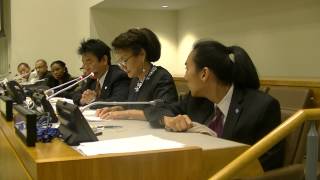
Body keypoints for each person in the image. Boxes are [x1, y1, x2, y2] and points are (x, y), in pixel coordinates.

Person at [144, 40, 284, 171]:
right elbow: (155, 110)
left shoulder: (263, 107)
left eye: (187, 69)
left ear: (204, 74)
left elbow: (267, 166)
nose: (185, 77)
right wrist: (167, 119)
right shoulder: (196, 100)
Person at [96, 28, 178, 120]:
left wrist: (127, 114)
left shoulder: (161, 77)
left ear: (141, 54)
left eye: (125, 60)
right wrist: (119, 109)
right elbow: (136, 106)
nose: (123, 66)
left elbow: (165, 112)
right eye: (120, 62)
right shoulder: (135, 79)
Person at [72, 39, 130, 107]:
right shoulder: (92, 79)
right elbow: (76, 94)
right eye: (84, 63)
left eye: (89, 62)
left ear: (104, 60)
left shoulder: (118, 76)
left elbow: (118, 102)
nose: (86, 68)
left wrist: (93, 100)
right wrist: (82, 100)